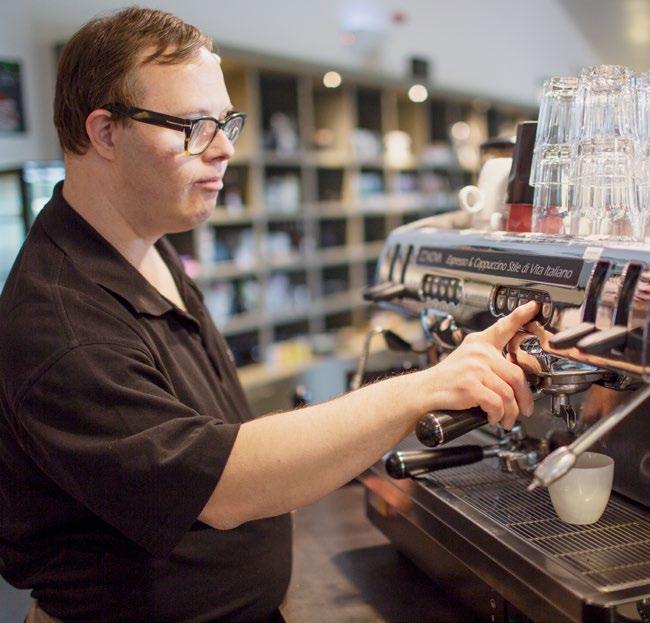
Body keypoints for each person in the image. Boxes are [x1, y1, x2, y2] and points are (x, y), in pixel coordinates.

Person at [0, 7, 539, 622]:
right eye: (196, 126)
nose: (226, 149)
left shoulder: (143, 241)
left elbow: (213, 436)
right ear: (104, 133)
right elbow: (224, 488)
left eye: (227, 121)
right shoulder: (61, 324)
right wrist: (425, 388)